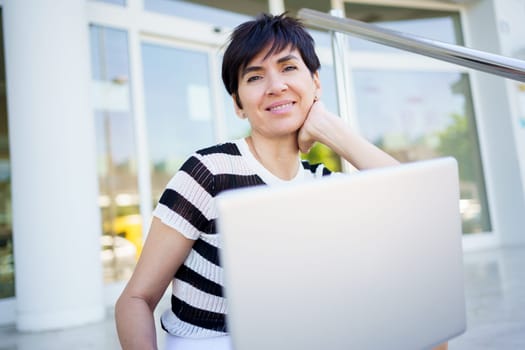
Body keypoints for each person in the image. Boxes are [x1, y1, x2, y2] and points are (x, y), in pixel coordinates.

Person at [115, 12, 446, 350]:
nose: (276, 87)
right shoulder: (209, 172)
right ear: (238, 104)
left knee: (434, 337)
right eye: (255, 77)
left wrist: (335, 132)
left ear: (315, 83)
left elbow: (414, 204)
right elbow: (135, 299)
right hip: (212, 341)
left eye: (288, 68)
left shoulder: (321, 182)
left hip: (294, 336)